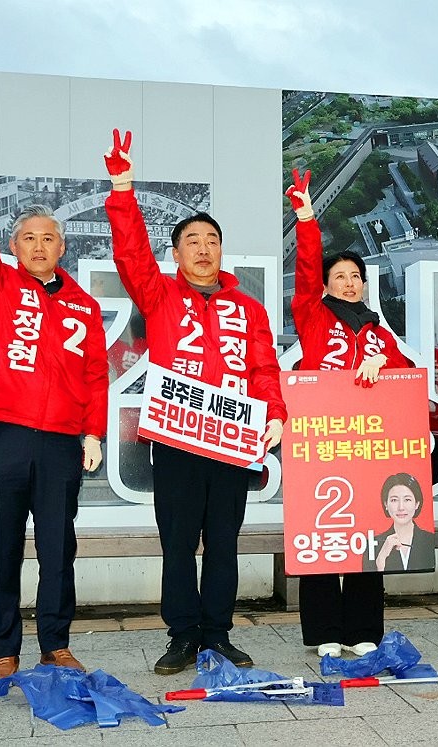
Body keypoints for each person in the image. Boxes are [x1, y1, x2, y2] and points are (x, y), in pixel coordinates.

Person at [102, 129, 287, 675]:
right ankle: (182, 635)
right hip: (178, 437)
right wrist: (121, 189)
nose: (204, 247)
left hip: (233, 439)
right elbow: (131, 252)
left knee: (225, 544)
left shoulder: (248, 308)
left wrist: (274, 413)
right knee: (180, 543)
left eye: (212, 239)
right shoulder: (158, 293)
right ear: (176, 252)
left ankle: (218, 634)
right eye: (193, 240)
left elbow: (263, 367)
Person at [0, 113, 109, 686]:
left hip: (63, 440)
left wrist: (93, 432)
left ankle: (56, 644)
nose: (40, 246)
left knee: (60, 547)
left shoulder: (84, 305)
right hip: (5, 434)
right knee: (3, 545)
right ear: (15, 247)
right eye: (29, 238)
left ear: (64, 246)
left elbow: (95, 377)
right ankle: (3, 648)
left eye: (50, 238)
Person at [286, 168, 412, 658]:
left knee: (367, 534)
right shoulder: (312, 316)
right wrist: (306, 217)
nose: (350, 282)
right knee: (322, 531)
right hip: (322, 440)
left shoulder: (380, 332)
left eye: (356, 276)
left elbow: (405, 384)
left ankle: (364, 629)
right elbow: (307, 265)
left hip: (371, 448)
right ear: (325, 286)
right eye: (339, 276)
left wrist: (385, 361)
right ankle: (322, 632)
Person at [366, 473, 436, 573]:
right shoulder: (373, 543)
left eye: (407, 499)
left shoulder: (428, 539)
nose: (401, 507)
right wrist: (381, 561)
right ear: (386, 504)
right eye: (394, 500)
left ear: (417, 504)